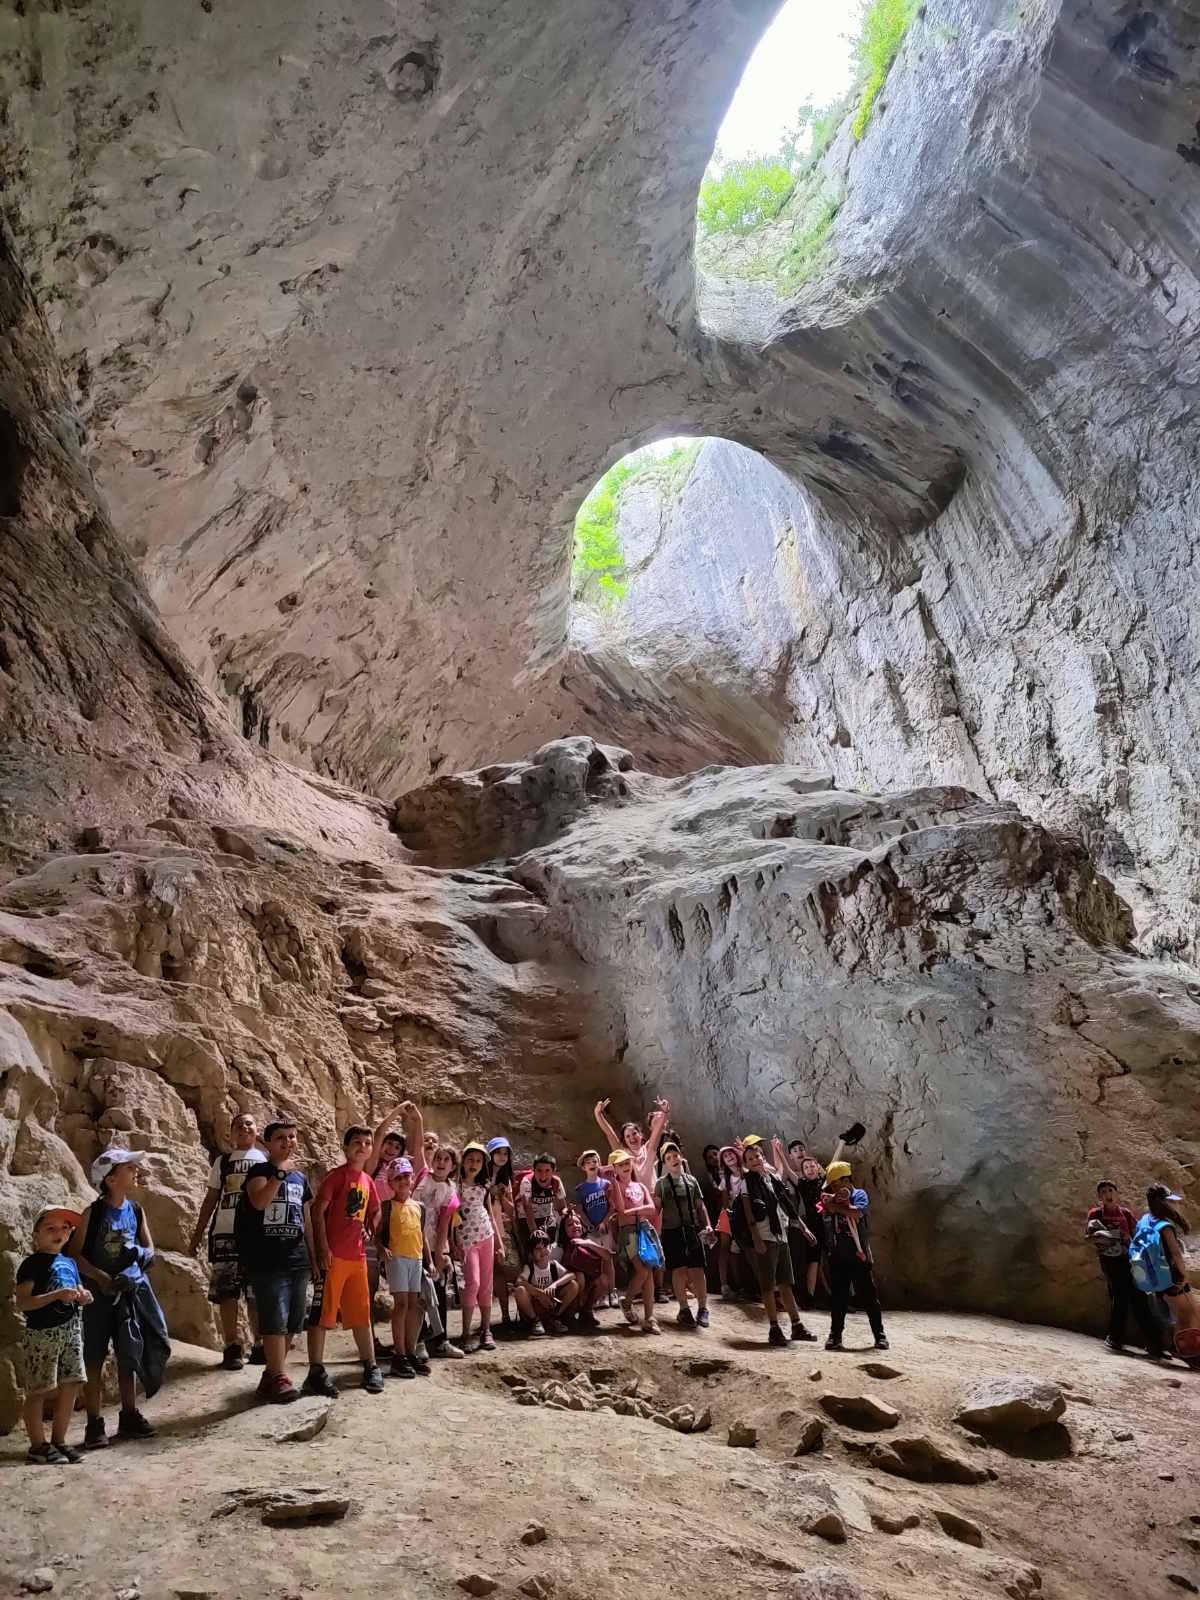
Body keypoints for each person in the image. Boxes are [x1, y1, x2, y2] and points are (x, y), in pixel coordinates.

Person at [69, 1148, 169, 1447]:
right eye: (128, 1168)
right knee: (94, 1356)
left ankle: (129, 1414)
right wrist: (100, 1277)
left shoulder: (136, 1210)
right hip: (97, 1298)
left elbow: (149, 1249)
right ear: (111, 1179)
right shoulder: (94, 1213)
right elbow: (75, 1254)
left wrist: (134, 1266)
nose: (135, 1171)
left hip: (127, 1293)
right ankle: (94, 1423)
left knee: (130, 1352)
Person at [238, 1119, 318, 1403]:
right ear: (268, 1143)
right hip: (268, 1257)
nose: (288, 1142)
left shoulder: (301, 1179)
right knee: (274, 1320)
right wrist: (281, 1173)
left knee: (293, 1322)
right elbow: (259, 1201)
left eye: (292, 1137)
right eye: (281, 1138)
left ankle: (271, 1375)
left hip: (297, 1257)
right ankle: (280, 1377)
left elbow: (306, 1220)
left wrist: (314, 1257)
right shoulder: (258, 1172)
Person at [308, 1125, 385, 1394]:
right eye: (356, 1142)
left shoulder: (367, 1181)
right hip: (334, 1256)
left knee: (361, 1314)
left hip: (357, 1257)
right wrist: (322, 1249)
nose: (362, 1147)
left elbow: (376, 1210)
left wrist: (370, 1228)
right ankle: (315, 1370)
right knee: (323, 1314)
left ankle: (371, 1366)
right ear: (345, 1147)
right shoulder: (336, 1177)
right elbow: (317, 1211)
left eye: (367, 1143)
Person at [188, 1111, 266, 1370]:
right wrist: (198, 1234)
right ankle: (232, 1345)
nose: (244, 1127)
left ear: (257, 1130)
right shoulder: (223, 1162)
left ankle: (260, 1344)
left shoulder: (266, 1161)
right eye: (238, 1125)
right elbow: (211, 1198)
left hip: (257, 1234)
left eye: (249, 1123)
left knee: (256, 1292)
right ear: (231, 1133)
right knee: (227, 1293)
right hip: (225, 1232)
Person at [15, 1206, 91, 1463]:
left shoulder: (69, 1262)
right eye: (51, 1228)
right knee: (38, 1389)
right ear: (36, 1234)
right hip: (42, 1335)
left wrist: (84, 1296)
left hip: (71, 1331)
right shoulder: (31, 1265)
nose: (59, 1233)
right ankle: (38, 1445)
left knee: (71, 1383)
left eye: (65, 1228)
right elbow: (23, 1302)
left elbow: (78, 1290)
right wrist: (55, 1296)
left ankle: (59, 1441)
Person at [735, 1139, 817, 1347]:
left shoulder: (772, 1178)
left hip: (780, 1235)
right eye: (750, 1159)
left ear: (763, 1157)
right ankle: (774, 1327)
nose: (755, 1160)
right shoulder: (747, 1182)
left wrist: (803, 1228)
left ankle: (796, 1325)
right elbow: (748, 1211)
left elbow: (786, 1203)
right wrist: (756, 1238)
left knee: (785, 1282)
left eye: (757, 1156)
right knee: (767, 1285)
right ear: (746, 1163)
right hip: (765, 1236)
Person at [1085, 1179, 1163, 1357]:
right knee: (1120, 1296)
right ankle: (1115, 1338)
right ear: (1099, 1197)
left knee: (1140, 1298)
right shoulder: (1096, 1214)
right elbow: (1088, 1237)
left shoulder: (1126, 1214)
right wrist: (1109, 1235)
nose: (1108, 1194)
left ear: (1117, 1194)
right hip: (1111, 1261)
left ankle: (1155, 1344)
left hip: (1130, 1260)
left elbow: (1137, 1235)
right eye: (1103, 1192)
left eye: (1110, 1190)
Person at [820, 1159, 888, 1352]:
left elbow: (858, 1213)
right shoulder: (831, 1198)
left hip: (858, 1255)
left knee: (868, 1296)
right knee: (839, 1298)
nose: (835, 1188)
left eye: (838, 1183)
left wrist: (837, 1208)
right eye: (832, 1185)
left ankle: (880, 1335)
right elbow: (826, 1212)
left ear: (847, 1179)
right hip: (838, 1256)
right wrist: (830, 1205)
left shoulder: (859, 1195)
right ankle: (835, 1336)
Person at [378, 1159, 432, 1378]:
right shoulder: (387, 1206)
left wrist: (430, 1261)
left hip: (416, 1258)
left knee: (413, 1304)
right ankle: (399, 1355)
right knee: (401, 1305)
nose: (403, 1181)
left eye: (406, 1176)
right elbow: (377, 1233)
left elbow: (422, 1235)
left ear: (412, 1178)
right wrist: (381, 1249)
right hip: (397, 1258)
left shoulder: (419, 1207)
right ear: (391, 1182)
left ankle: (410, 1352)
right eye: (397, 1178)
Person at [1131, 1184, 1195, 1364]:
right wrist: (1185, 1275)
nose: (1175, 1205)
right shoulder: (1165, 1226)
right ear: (1165, 1203)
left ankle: (1173, 1347)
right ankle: (1185, 1352)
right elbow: (1175, 1253)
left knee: (1173, 1314)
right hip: (1172, 1276)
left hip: (1155, 1277)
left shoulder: (1145, 1220)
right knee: (1186, 1314)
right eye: (1171, 1201)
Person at [655, 1141, 715, 1329]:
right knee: (678, 1269)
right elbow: (656, 1208)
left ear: (681, 1157)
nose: (673, 1159)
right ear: (665, 1163)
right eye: (669, 1158)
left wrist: (708, 1225)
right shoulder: (661, 1184)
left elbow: (700, 1206)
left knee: (698, 1269)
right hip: (671, 1231)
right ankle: (684, 1308)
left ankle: (703, 1308)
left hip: (692, 1229)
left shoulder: (691, 1181)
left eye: (675, 1155)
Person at [414, 1144, 463, 1359]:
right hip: (413, 1242)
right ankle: (418, 1340)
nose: (441, 1162)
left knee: (439, 1293)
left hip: (435, 1245)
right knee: (417, 1292)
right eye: (438, 1158)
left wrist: (439, 1255)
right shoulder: (423, 1178)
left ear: (453, 1166)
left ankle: (441, 1340)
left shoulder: (451, 1189)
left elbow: (444, 1224)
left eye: (446, 1159)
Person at [457, 1142, 501, 1352]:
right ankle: (465, 1333)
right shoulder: (456, 1186)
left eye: (478, 1161)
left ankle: (486, 1330)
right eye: (470, 1160)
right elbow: (451, 1217)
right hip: (466, 1240)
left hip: (486, 1236)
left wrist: (499, 1243)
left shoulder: (484, 1186)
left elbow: (490, 1214)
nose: (474, 1164)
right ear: (463, 1161)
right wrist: (452, 1243)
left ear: (483, 1164)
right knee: (472, 1283)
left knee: (486, 1284)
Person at [611, 1149, 660, 1334]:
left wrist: (633, 1212)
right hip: (629, 1234)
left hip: (644, 1231)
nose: (625, 1166)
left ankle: (649, 1318)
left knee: (649, 1272)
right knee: (642, 1270)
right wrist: (637, 1212)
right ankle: (627, 1301)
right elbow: (620, 1210)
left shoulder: (640, 1186)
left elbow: (652, 1209)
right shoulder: (615, 1187)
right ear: (615, 1169)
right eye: (620, 1164)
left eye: (627, 1163)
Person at [773, 1137, 825, 1307]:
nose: (810, 1169)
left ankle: (835, 1295)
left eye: (812, 1166)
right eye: (806, 1167)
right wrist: (778, 1151)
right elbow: (786, 1171)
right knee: (810, 1259)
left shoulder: (824, 1183)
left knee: (823, 1261)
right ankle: (808, 1296)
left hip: (826, 1224)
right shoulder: (802, 1183)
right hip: (807, 1224)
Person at [514, 1230, 581, 1334]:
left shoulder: (554, 1265)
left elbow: (571, 1275)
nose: (543, 1251)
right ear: (531, 1252)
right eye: (538, 1249)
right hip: (536, 1306)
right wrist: (539, 1293)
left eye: (545, 1246)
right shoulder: (530, 1267)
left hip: (550, 1305)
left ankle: (555, 1317)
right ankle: (535, 1320)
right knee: (520, 1290)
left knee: (573, 1285)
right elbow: (519, 1281)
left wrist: (555, 1284)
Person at [487, 1137, 522, 1334]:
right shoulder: (481, 1175)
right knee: (496, 1274)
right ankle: (505, 1316)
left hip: (502, 1229)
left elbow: (511, 1210)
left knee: (513, 1270)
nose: (502, 1156)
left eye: (505, 1153)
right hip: (484, 1229)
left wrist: (500, 1194)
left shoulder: (505, 1179)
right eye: (499, 1152)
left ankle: (519, 1312)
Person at [575, 1149, 617, 1308]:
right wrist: (588, 1225)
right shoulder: (581, 1189)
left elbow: (612, 1207)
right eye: (588, 1162)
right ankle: (600, 1294)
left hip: (604, 1229)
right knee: (595, 1262)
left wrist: (604, 1222)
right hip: (591, 1231)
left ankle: (612, 1291)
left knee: (608, 1260)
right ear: (583, 1167)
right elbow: (580, 1210)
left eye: (594, 1161)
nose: (592, 1164)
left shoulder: (606, 1184)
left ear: (599, 1163)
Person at [557, 1206, 610, 1329]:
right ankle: (568, 1314)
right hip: (567, 1290)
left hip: (586, 1288)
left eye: (577, 1223)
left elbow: (607, 1256)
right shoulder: (558, 1248)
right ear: (564, 1230)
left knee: (603, 1280)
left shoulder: (588, 1241)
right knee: (579, 1277)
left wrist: (589, 1244)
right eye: (570, 1224)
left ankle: (586, 1312)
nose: (575, 1226)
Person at [519, 1153, 568, 1240]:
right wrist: (535, 1231)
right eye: (539, 1170)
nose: (543, 1175)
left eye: (547, 1170)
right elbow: (527, 1208)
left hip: (547, 1218)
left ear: (553, 1171)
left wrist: (568, 1213)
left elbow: (562, 1207)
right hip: (527, 1219)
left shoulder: (556, 1182)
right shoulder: (527, 1182)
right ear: (534, 1170)